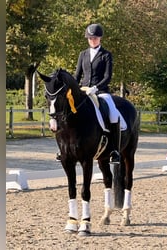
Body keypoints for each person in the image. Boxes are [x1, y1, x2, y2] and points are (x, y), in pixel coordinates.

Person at [75, 23, 121, 164]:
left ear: (100, 38)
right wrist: (73, 88)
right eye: (90, 38)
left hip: (100, 92)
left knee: (113, 114)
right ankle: (65, 148)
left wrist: (95, 87)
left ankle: (114, 150)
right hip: (83, 91)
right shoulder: (83, 54)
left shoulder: (106, 55)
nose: (92, 40)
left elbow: (107, 77)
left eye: (94, 38)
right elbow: (77, 75)